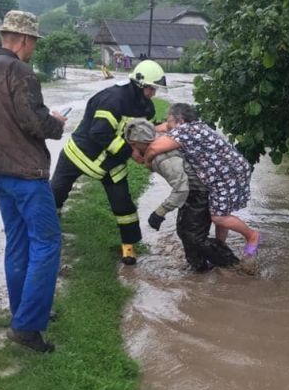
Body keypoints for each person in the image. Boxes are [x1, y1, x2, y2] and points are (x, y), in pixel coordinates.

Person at [0, 10, 66, 353]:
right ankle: (26, 327)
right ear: (24, 40)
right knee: (47, 242)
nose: (34, 48)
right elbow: (33, 123)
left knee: (18, 242)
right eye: (34, 42)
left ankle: (23, 311)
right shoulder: (19, 71)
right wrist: (56, 123)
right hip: (26, 173)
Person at [51, 60, 164, 265]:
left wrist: (154, 138)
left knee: (124, 205)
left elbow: (141, 132)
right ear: (139, 84)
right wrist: (131, 152)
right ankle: (49, 232)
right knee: (55, 194)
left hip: (112, 162)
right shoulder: (114, 100)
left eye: (154, 89)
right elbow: (99, 132)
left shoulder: (146, 107)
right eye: (150, 88)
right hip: (80, 154)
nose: (153, 93)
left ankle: (128, 248)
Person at [145, 103, 260, 256]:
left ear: (179, 120)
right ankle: (220, 248)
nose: (168, 126)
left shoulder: (185, 131)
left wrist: (146, 162)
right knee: (222, 212)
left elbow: (153, 149)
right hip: (231, 170)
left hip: (226, 175)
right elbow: (164, 127)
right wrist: (147, 129)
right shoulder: (194, 126)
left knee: (219, 217)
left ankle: (252, 236)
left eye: (170, 121)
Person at [124, 119, 239, 271]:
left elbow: (181, 189)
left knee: (194, 236)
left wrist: (160, 212)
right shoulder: (158, 143)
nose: (132, 148)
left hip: (200, 191)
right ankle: (199, 268)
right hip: (195, 188)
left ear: (143, 141)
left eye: (133, 144)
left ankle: (234, 265)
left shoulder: (163, 158)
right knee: (185, 232)